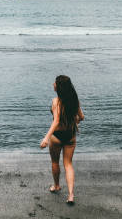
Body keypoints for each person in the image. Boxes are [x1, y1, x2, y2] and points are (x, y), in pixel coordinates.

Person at [40, 75, 84, 205]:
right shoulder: (74, 100)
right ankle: (71, 195)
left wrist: (46, 138)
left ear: (59, 87)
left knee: (55, 162)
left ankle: (57, 186)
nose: (53, 84)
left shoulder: (56, 101)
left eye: (55, 82)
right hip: (70, 136)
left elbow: (56, 121)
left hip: (57, 137)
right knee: (68, 164)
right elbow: (81, 117)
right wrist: (75, 121)